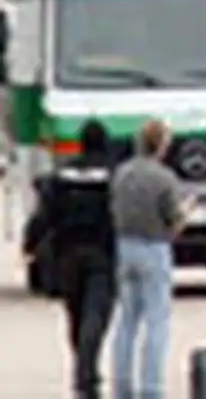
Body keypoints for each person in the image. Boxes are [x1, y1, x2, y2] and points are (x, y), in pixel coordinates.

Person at [22, 120, 117, 399]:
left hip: (67, 256)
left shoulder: (62, 177)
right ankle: (86, 375)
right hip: (101, 254)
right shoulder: (112, 177)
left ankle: (84, 371)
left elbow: (44, 215)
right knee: (96, 316)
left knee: (75, 315)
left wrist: (30, 243)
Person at [109, 119, 193, 399]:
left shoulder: (121, 174)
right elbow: (173, 221)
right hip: (154, 247)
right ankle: (151, 386)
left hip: (124, 245)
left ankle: (121, 385)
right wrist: (186, 212)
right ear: (162, 146)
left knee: (127, 320)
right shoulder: (164, 178)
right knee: (157, 320)